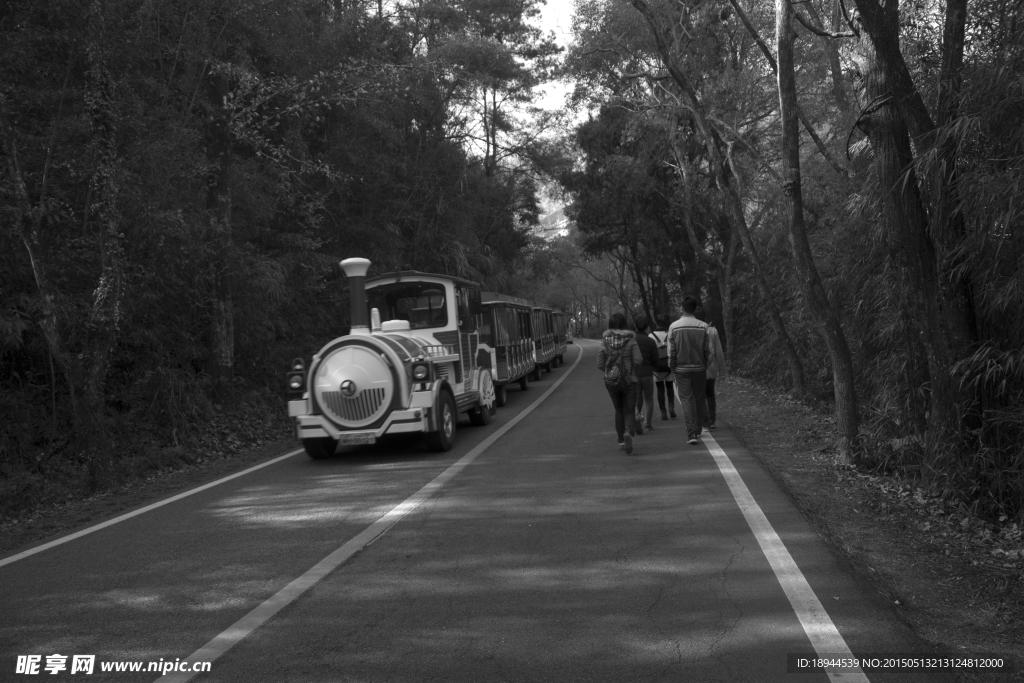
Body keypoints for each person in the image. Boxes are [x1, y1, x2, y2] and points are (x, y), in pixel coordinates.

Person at [596, 312, 643, 454]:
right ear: (624, 325)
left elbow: (599, 363)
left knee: (618, 410)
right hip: (629, 380)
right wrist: (632, 372)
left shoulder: (605, 342)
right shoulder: (631, 340)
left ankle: (621, 440)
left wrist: (611, 372)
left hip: (612, 382)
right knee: (629, 410)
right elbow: (639, 360)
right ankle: (628, 433)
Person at [667, 296, 709, 445]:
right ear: (695, 308)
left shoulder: (674, 326)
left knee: (686, 399)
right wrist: (705, 363)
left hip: (681, 368)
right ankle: (698, 429)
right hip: (699, 368)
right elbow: (706, 350)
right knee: (699, 398)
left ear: (682, 308)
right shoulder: (703, 326)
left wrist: (672, 367)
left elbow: (671, 350)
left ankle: (691, 434)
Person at [697, 306, 727, 430]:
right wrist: (722, 370)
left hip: (698, 366)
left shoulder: (692, 330)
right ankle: (712, 419)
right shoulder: (712, 331)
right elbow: (719, 352)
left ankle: (704, 420)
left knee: (700, 394)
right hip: (711, 366)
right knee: (710, 393)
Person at [632, 315, 658, 433]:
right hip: (647, 373)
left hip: (634, 373)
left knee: (637, 399)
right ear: (647, 327)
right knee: (649, 399)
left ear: (635, 326)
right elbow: (655, 359)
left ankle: (637, 418)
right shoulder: (651, 341)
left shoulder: (631, 341)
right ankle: (648, 424)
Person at [650, 314, 676, 421]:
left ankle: (663, 412)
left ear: (656, 323)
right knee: (670, 387)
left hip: (657, 367)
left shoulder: (651, 336)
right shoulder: (671, 334)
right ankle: (671, 407)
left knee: (660, 388)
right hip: (668, 365)